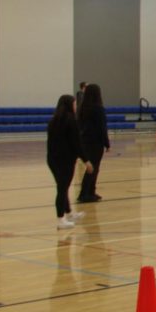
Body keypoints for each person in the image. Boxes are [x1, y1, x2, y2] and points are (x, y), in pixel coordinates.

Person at [47, 94, 92, 229]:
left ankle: (69, 213)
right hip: (64, 160)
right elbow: (76, 144)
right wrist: (86, 161)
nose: (76, 106)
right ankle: (61, 219)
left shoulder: (53, 121)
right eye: (74, 103)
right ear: (69, 105)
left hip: (52, 159)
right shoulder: (71, 121)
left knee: (63, 187)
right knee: (62, 189)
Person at [76, 83, 110, 203]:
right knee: (93, 168)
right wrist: (107, 143)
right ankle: (85, 193)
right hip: (96, 142)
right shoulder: (98, 109)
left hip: (85, 141)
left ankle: (90, 192)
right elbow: (102, 128)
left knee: (91, 167)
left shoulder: (82, 108)